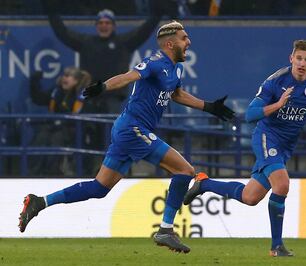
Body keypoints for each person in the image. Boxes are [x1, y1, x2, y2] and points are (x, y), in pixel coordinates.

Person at [18, 21, 235, 253]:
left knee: (98, 188)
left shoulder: (176, 68)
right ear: (170, 44)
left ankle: (40, 201)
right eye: (184, 38)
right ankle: (166, 230)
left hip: (130, 130)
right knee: (185, 171)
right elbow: (128, 76)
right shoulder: (154, 62)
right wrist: (103, 87)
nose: (189, 42)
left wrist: (209, 107)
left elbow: (177, 93)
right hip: (132, 128)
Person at [183, 40, 306, 257]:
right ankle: (276, 247)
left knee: (250, 197)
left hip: (286, 146)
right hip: (267, 137)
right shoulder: (276, 81)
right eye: (298, 58)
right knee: (282, 184)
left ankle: (204, 184)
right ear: (291, 59)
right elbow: (249, 115)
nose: (302, 63)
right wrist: (278, 104)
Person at [41, 0, 173, 113]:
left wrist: (156, 15)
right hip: (89, 96)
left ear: (114, 26)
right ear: (96, 26)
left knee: (111, 134)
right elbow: (63, 33)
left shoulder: (123, 43)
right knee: (88, 133)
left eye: (107, 23)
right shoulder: (86, 43)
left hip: (113, 97)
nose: (104, 26)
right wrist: (52, 14)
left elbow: (143, 31)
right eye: (100, 23)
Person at [29, 67, 91, 175]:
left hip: (72, 129)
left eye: (68, 76)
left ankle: (52, 172)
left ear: (76, 81)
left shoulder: (82, 94)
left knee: (57, 138)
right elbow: (38, 99)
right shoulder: (56, 91)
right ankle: (35, 172)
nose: (64, 78)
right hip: (53, 126)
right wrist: (34, 82)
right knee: (41, 136)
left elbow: (84, 116)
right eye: (64, 75)